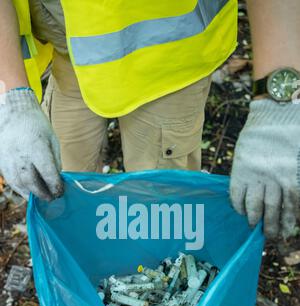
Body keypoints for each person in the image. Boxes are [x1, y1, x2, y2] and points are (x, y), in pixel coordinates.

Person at [0, 0, 299, 239]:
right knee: (63, 187)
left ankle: (159, 276)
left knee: (162, 213)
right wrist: (11, 95)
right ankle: (85, 269)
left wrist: (278, 105)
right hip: (68, 54)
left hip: (169, 63)